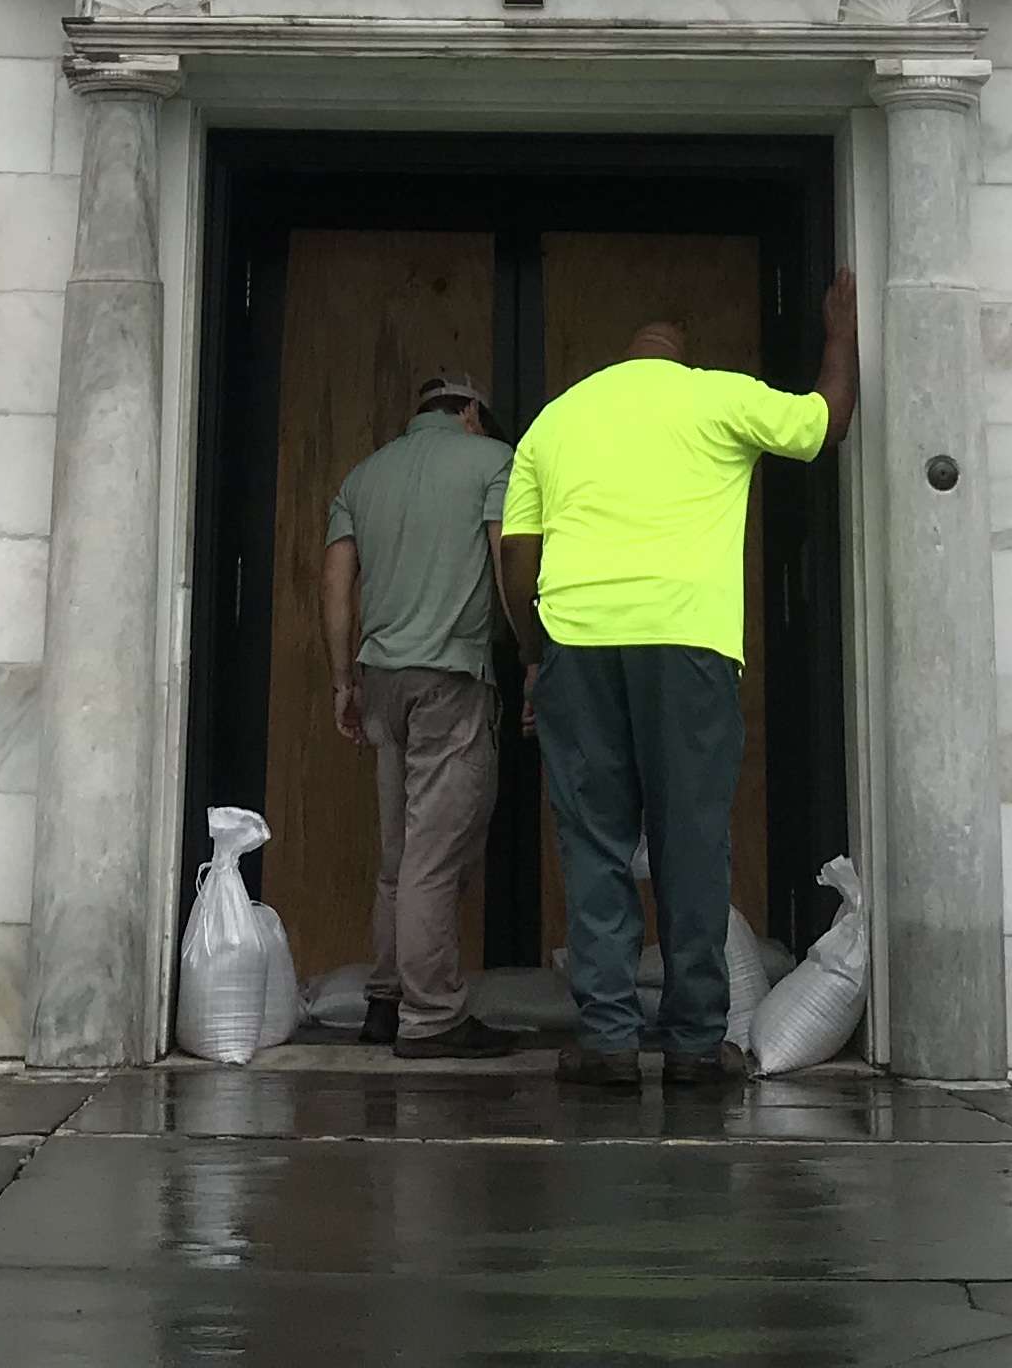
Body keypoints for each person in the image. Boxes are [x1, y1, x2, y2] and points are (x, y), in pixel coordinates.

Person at [500, 270, 858, 1091]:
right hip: (686, 645)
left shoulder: (557, 419)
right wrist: (837, 334)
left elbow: (517, 553)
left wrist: (533, 653)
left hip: (579, 643)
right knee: (691, 840)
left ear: (620, 362)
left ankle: (608, 1040)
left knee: (592, 843)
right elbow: (825, 423)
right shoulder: (716, 398)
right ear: (679, 357)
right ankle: (697, 1043)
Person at [320, 368, 521, 1059]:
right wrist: (535, 655)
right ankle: (433, 1016)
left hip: (383, 682)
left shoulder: (362, 477)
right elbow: (507, 562)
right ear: (471, 413)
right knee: (436, 854)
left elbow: (337, 585)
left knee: (398, 854)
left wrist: (344, 682)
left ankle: (385, 999)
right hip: (451, 677)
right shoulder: (493, 460)